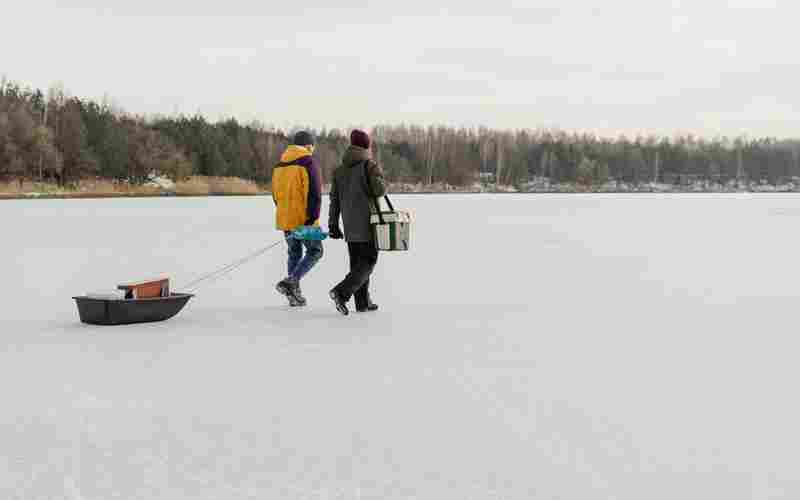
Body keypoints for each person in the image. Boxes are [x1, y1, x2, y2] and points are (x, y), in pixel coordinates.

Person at [327, 129, 387, 315]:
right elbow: (380, 191)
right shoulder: (369, 166)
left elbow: (334, 199)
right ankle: (341, 292)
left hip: (350, 226)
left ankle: (362, 302)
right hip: (368, 223)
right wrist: (378, 174)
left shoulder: (339, 171)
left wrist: (333, 224)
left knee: (357, 265)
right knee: (368, 261)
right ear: (366, 146)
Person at [271, 130, 323, 306]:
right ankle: (291, 281)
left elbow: (275, 195)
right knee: (316, 251)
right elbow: (315, 192)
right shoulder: (308, 161)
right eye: (312, 146)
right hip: (305, 219)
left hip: (285, 218)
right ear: (308, 145)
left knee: (294, 252)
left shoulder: (279, 165)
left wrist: (284, 212)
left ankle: (294, 295)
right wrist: (312, 217)